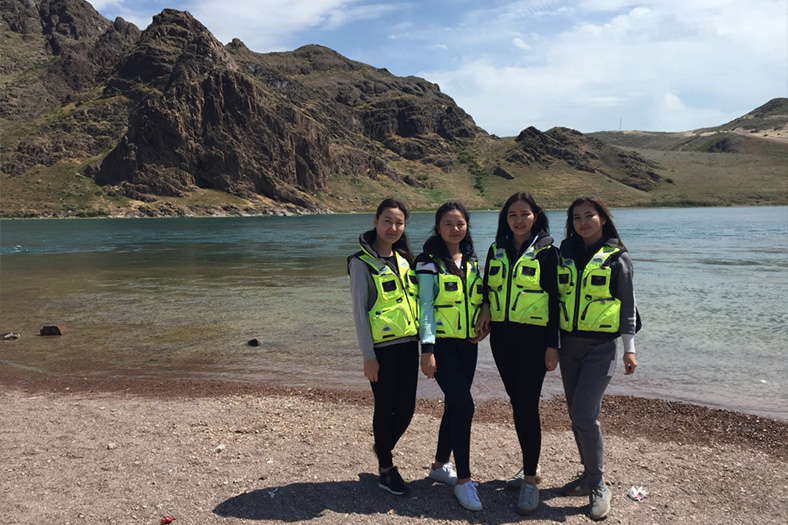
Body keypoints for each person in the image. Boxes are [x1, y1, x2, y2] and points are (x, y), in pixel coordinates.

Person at [474, 191, 560, 515]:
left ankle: (530, 481)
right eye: (512, 214)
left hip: (534, 340)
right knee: (518, 403)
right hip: (502, 340)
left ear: (536, 216)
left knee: (527, 405)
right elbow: (487, 288)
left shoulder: (548, 252)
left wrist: (553, 345)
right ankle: (530, 466)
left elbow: (555, 301)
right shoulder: (496, 249)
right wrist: (485, 307)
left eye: (525, 214)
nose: (519, 220)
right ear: (505, 218)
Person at [557, 196, 639, 521]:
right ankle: (587, 475)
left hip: (601, 348)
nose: (583, 222)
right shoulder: (564, 254)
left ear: (603, 219)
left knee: (583, 415)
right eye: (576, 217)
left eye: (589, 215)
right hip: (568, 346)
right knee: (576, 415)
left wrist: (630, 349)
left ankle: (598, 484)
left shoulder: (618, 258)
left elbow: (628, 306)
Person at [416, 200, 487, 511]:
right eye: (448, 223)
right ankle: (464, 481)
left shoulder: (471, 258)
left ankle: (439, 465)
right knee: (465, 407)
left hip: (469, 345)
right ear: (438, 227)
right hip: (442, 346)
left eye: (460, 223)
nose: (455, 228)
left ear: (467, 225)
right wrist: (427, 350)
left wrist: (485, 315)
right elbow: (425, 307)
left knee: (455, 405)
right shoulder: (428, 262)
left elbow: (481, 295)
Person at [348, 198, 420, 496]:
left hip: (409, 346)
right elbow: (359, 312)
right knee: (385, 406)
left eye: (399, 222)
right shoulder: (360, 263)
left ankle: (382, 447)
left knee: (406, 409)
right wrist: (368, 356)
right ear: (375, 221)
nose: (393, 227)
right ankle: (387, 470)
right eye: (387, 221)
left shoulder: (405, 260)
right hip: (382, 350)